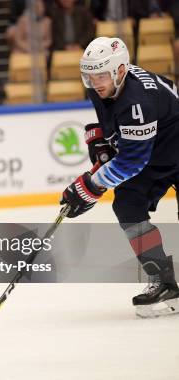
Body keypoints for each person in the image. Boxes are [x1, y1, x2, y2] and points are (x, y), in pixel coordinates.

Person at [60, 37, 179, 317]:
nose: (94, 81)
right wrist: (100, 138)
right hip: (156, 151)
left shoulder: (138, 102)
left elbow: (131, 161)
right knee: (127, 205)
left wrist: (90, 186)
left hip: (167, 148)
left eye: (101, 75)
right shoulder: (102, 86)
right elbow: (112, 124)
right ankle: (163, 281)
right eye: (89, 75)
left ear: (121, 70)